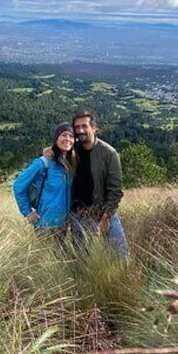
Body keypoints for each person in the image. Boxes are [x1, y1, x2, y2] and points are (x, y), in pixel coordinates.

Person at [69, 110, 129, 258]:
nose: (80, 130)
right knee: (82, 259)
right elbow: (55, 150)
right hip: (79, 215)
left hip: (103, 212)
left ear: (94, 128)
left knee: (120, 255)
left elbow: (115, 190)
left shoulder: (109, 153)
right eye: (77, 127)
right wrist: (46, 151)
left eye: (84, 126)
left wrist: (106, 217)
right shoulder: (71, 151)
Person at [13, 123, 77, 240]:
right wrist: (27, 212)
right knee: (47, 258)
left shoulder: (69, 164)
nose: (68, 139)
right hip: (46, 224)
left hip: (64, 223)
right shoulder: (43, 163)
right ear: (56, 138)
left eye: (71, 136)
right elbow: (18, 185)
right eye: (64, 135)